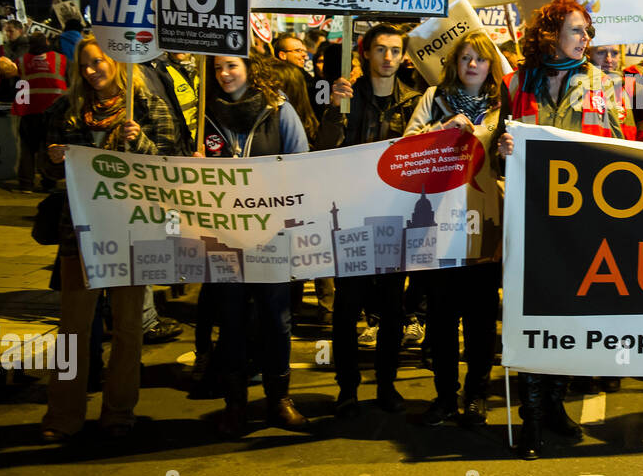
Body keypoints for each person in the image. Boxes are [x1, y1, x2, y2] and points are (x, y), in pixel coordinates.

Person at [499, 0, 625, 458]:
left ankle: (554, 404)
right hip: (531, 220)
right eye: (577, 31)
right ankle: (530, 419)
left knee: (567, 318)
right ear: (551, 33)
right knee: (531, 316)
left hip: (580, 223)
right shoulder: (516, 82)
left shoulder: (600, 83)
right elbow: (498, 139)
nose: (586, 40)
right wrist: (505, 145)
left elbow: (619, 145)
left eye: (588, 33)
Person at [39, 37, 183, 441]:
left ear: (116, 62)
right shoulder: (68, 111)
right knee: (72, 329)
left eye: (98, 62)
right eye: (84, 65)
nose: (91, 71)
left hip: (131, 233)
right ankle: (62, 413)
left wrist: (139, 140)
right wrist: (51, 161)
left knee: (127, 328)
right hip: (80, 237)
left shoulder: (148, 106)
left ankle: (119, 411)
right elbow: (46, 173)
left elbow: (169, 166)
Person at [202, 53, 311, 436]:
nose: (224, 74)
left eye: (231, 65)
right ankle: (235, 404)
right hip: (223, 236)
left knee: (275, 320)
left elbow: (302, 162)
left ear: (249, 68)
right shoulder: (204, 113)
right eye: (217, 68)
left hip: (272, 235)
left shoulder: (279, 110)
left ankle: (279, 399)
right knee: (230, 321)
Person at [316, 23, 421, 417]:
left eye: (395, 50)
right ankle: (347, 387)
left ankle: (387, 385)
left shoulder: (412, 103)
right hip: (352, 219)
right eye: (381, 49)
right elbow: (322, 151)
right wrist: (333, 113)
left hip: (393, 220)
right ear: (365, 53)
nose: (388, 58)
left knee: (392, 308)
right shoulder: (347, 98)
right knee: (348, 307)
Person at [405, 31, 508, 426]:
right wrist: (442, 129)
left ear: (490, 66)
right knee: (443, 316)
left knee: (481, 317)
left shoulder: (504, 105)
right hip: (439, 224)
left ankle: (476, 394)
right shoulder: (433, 99)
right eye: (465, 58)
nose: (472, 65)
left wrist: (508, 150)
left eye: (479, 59)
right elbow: (407, 147)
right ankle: (445, 396)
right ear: (454, 63)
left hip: (486, 224)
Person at [11, 30, 67, 192]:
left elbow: (15, 85)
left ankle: (26, 184)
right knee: (49, 147)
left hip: (29, 111)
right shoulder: (60, 59)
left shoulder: (20, 61)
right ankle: (49, 181)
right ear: (47, 43)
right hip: (54, 111)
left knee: (28, 148)